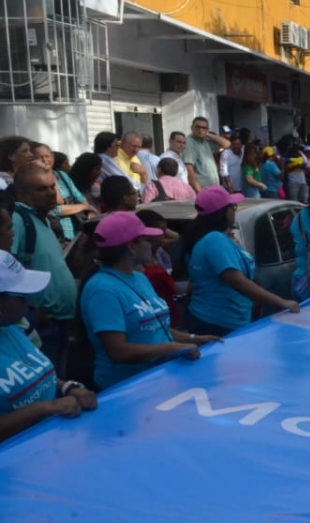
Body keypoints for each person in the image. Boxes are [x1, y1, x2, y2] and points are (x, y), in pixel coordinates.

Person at [80, 213, 219, 390]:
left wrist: (193, 339)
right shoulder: (101, 290)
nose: (152, 244)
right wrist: (170, 349)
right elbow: (117, 351)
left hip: (158, 378)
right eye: (146, 239)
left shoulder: (139, 277)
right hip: (126, 388)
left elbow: (153, 327)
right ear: (131, 247)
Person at [0, 249, 97, 442]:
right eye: (21, 297)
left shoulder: (14, 327)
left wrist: (68, 387)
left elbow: (35, 376)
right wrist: (45, 408)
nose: (29, 305)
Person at [185, 186, 298, 336]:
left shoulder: (216, 239)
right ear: (222, 212)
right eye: (233, 206)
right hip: (219, 323)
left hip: (220, 319)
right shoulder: (215, 241)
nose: (235, 210)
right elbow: (239, 283)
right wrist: (282, 302)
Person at [11, 166, 76, 375]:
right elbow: (6, 267)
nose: (50, 193)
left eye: (52, 187)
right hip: (42, 323)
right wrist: (30, 310)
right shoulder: (19, 219)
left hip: (59, 321)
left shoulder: (43, 219)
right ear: (21, 194)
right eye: (41, 189)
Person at [182, 117, 229, 192]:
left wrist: (207, 134)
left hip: (213, 188)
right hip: (203, 190)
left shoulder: (205, 141)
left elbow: (226, 144)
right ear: (191, 127)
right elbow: (189, 170)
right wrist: (199, 192)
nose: (200, 130)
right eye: (197, 127)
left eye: (203, 128)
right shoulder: (189, 143)